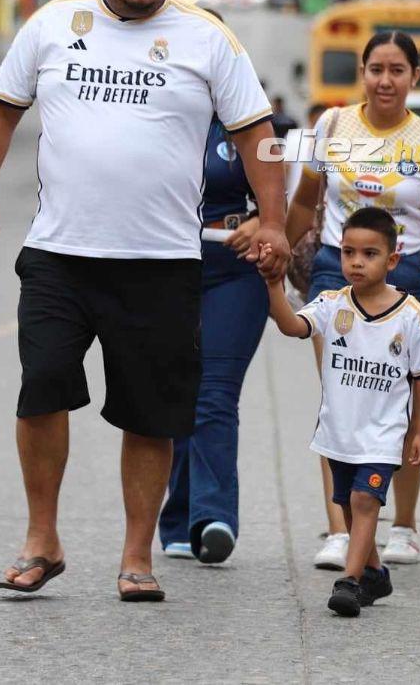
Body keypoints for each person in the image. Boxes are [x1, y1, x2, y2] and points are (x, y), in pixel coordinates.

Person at [0, 0, 290, 601]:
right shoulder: (53, 24)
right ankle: (41, 539)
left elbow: (257, 132)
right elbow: (0, 109)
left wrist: (273, 221)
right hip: (60, 252)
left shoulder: (207, 39)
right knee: (41, 389)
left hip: (162, 261)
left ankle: (137, 557)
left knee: (151, 411)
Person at [286, 31, 420, 569]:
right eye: (376, 69)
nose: (386, 80)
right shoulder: (333, 126)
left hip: (405, 273)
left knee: (401, 401)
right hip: (337, 270)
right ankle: (340, 528)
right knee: (341, 399)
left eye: (397, 70)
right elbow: (304, 202)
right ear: (362, 72)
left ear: (414, 77)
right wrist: (274, 244)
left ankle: (402, 525)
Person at [261, 207, 420, 617]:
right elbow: (292, 326)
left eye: (370, 254)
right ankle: (375, 572)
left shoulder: (411, 314)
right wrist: (273, 286)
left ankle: (350, 580)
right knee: (347, 502)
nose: (357, 262)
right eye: (348, 252)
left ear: (393, 259)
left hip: (383, 434)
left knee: (364, 501)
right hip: (338, 433)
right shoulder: (329, 303)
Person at [157, 116, 271, 564]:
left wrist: (262, 220)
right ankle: (180, 517)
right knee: (178, 391)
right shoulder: (158, 115)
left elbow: (288, 192)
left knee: (215, 393)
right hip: (167, 262)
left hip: (235, 268)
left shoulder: (251, 126)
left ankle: (213, 518)